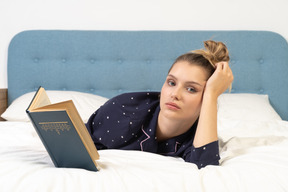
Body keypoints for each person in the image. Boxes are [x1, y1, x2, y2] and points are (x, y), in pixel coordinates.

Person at [86, 40, 233, 169]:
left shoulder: (200, 137)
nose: (174, 94)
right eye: (171, 82)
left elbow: (207, 167)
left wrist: (211, 95)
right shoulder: (123, 110)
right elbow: (77, 144)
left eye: (191, 89)